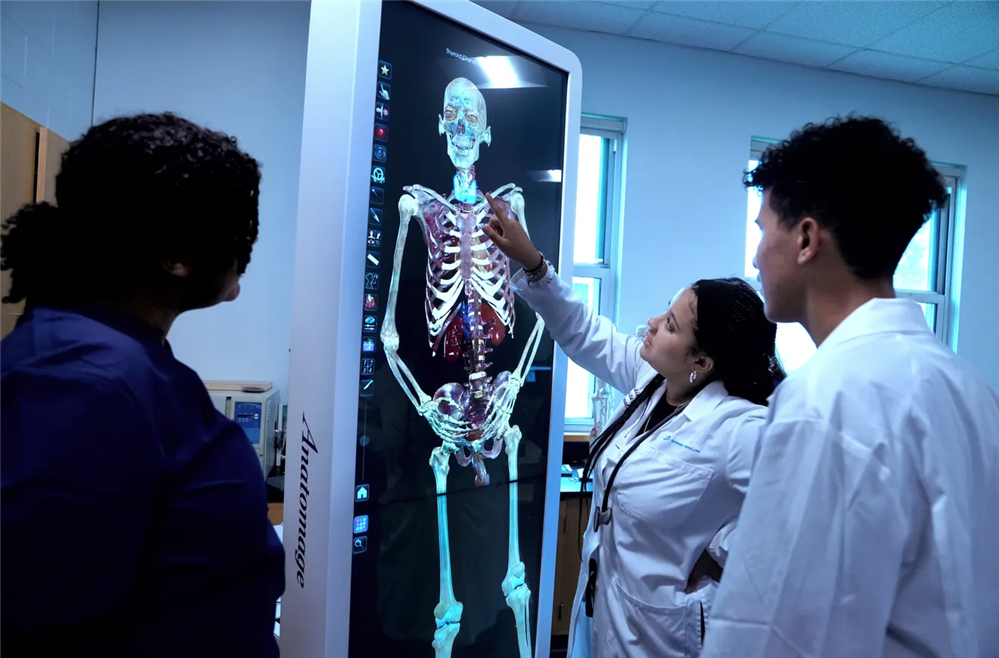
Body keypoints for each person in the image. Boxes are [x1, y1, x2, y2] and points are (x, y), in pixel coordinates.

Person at [702, 116, 999, 658]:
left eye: (763, 230)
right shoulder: (970, 389)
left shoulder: (825, 402)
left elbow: (769, 635)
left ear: (807, 239)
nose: (755, 257)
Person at [0, 113, 284, 657]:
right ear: (175, 256)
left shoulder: (110, 357)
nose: (246, 244)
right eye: (239, 227)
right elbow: (42, 620)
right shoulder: (77, 381)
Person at [483, 195, 786, 658]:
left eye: (670, 325)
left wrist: (725, 552)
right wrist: (532, 262)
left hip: (664, 635)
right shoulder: (653, 383)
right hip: (605, 612)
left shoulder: (739, 428)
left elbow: (799, 520)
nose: (651, 323)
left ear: (701, 362)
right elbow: (583, 331)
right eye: (665, 311)